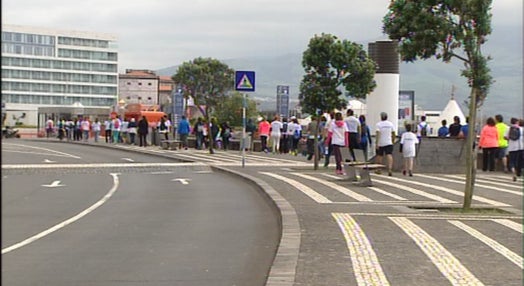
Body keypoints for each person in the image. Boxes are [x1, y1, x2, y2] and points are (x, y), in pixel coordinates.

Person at [375, 112, 396, 176]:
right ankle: (390, 169)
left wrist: (377, 143)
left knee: (379, 155)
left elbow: (378, 134)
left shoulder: (378, 124)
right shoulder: (390, 124)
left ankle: (379, 169)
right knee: (389, 155)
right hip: (389, 142)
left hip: (381, 142)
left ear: (381, 117)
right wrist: (392, 141)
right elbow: (393, 133)